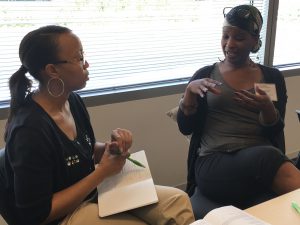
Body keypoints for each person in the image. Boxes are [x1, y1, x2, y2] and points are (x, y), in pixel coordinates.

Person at [2, 25, 195, 225]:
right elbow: (37, 214)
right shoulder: (29, 130)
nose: (86, 64)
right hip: (62, 217)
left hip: (92, 192)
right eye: (78, 58)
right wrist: (102, 172)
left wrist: (108, 148)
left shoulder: (72, 101)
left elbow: (80, 151)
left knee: (177, 201)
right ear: (52, 70)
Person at [177, 4, 300, 219]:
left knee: (271, 206)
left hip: (258, 162)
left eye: (239, 38)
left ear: (254, 41)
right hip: (214, 162)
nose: (230, 44)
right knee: (269, 156)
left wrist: (266, 108)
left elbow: (275, 129)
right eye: (226, 36)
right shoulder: (206, 75)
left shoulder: (271, 78)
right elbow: (186, 127)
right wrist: (188, 95)